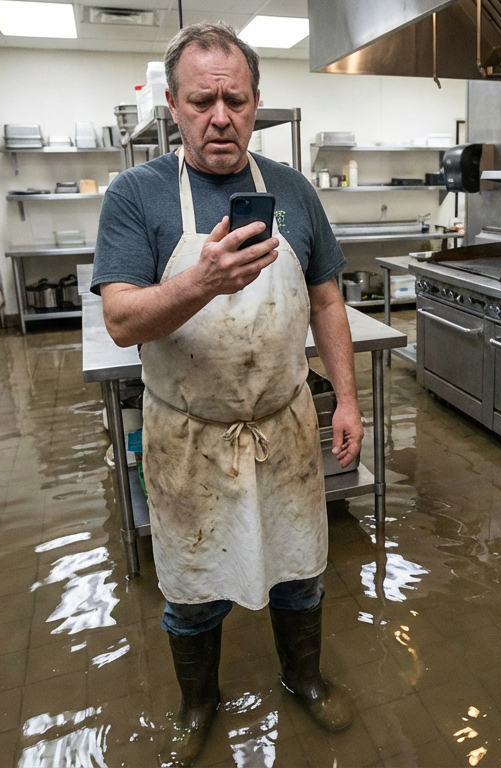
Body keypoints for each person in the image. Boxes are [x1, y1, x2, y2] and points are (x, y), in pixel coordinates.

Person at [92, 22, 361, 767]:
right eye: (202, 100)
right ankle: (197, 703)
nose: (220, 117)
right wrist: (202, 280)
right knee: (193, 584)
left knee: (301, 567)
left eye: (235, 100)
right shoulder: (136, 195)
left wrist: (345, 399)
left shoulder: (294, 191)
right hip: (190, 435)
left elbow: (327, 300)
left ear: (255, 102)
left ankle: (302, 679)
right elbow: (120, 321)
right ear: (173, 105)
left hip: (284, 422)